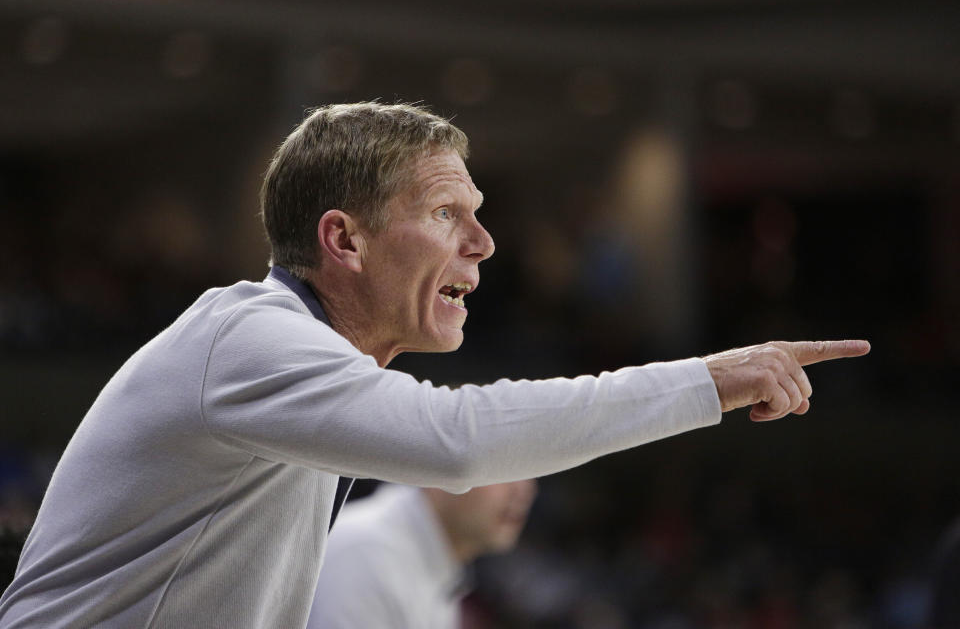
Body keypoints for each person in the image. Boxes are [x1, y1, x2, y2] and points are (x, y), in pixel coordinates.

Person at [0, 102, 869, 628]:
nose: (485, 245)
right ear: (343, 238)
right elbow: (458, 440)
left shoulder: (298, 370)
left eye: (479, 214)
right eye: (449, 212)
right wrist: (711, 380)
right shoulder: (250, 338)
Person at [306, 480, 537, 629]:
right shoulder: (367, 554)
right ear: (444, 465)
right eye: (506, 470)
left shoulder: (439, 565)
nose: (523, 491)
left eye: (531, 471)